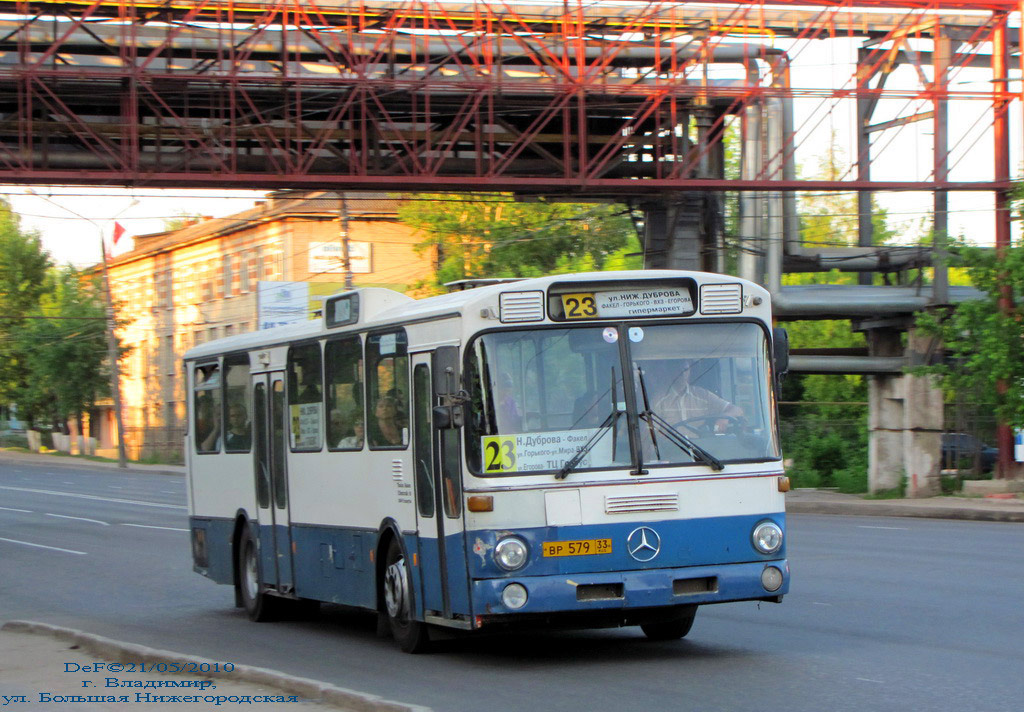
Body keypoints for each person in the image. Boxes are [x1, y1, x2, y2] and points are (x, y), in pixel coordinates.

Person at [649, 359, 743, 433]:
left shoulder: (703, 395)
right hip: (671, 453)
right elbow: (650, 433)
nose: (682, 373)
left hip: (702, 452)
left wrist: (724, 417)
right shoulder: (659, 399)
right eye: (678, 370)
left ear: (690, 371)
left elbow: (737, 410)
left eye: (685, 370)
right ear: (671, 372)